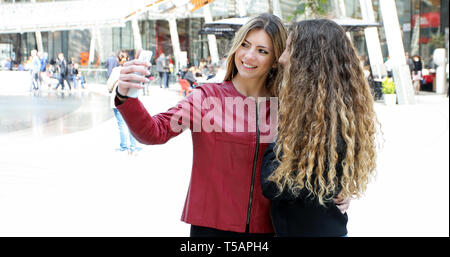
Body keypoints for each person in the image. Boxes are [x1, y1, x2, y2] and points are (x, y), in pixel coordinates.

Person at [114, 13, 350, 237]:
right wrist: (126, 97)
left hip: (270, 228)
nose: (248, 56)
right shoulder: (206, 98)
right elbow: (154, 132)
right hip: (211, 227)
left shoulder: (289, 107)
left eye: (262, 50)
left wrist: (339, 190)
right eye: (245, 45)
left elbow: (319, 158)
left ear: (276, 59)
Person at [261, 19, 378, 237]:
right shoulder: (325, 111)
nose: (282, 58)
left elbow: (273, 183)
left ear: (310, 61)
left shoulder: (326, 121)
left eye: (289, 49)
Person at [107, 51, 141, 156]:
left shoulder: (116, 71)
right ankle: (133, 147)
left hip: (117, 100)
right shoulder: (133, 71)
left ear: (118, 59)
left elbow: (109, 85)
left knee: (121, 124)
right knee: (132, 124)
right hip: (130, 100)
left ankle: (124, 147)